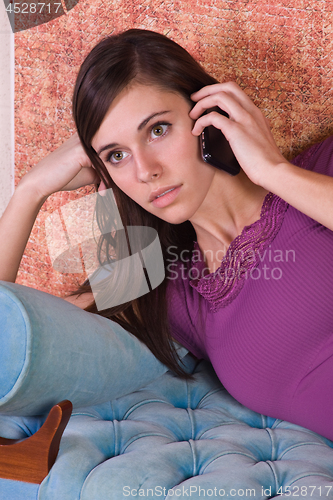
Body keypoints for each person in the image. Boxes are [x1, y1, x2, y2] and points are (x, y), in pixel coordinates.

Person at [1, 28, 333, 439]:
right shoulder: (173, 294)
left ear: (207, 111)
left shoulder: (322, 169)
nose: (145, 171)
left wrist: (273, 172)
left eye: (157, 130)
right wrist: (29, 192)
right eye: (117, 156)